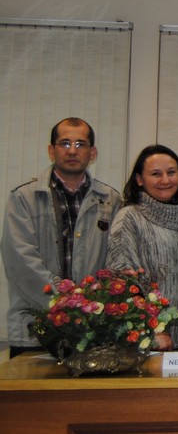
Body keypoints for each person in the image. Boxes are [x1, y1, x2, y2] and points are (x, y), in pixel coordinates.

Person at [2, 117, 122, 357]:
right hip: (35, 330)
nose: (72, 151)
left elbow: (115, 262)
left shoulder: (110, 199)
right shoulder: (24, 197)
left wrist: (89, 306)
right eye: (65, 143)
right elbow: (20, 260)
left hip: (91, 332)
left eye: (80, 144)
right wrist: (66, 300)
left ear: (93, 152)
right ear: (51, 150)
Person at [107, 144, 178, 350]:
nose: (165, 180)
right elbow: (122, 279)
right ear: (140, 179)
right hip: (149, 340)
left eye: (171, 172)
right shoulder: (130, 217)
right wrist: (153, 329)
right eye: (156, 174)